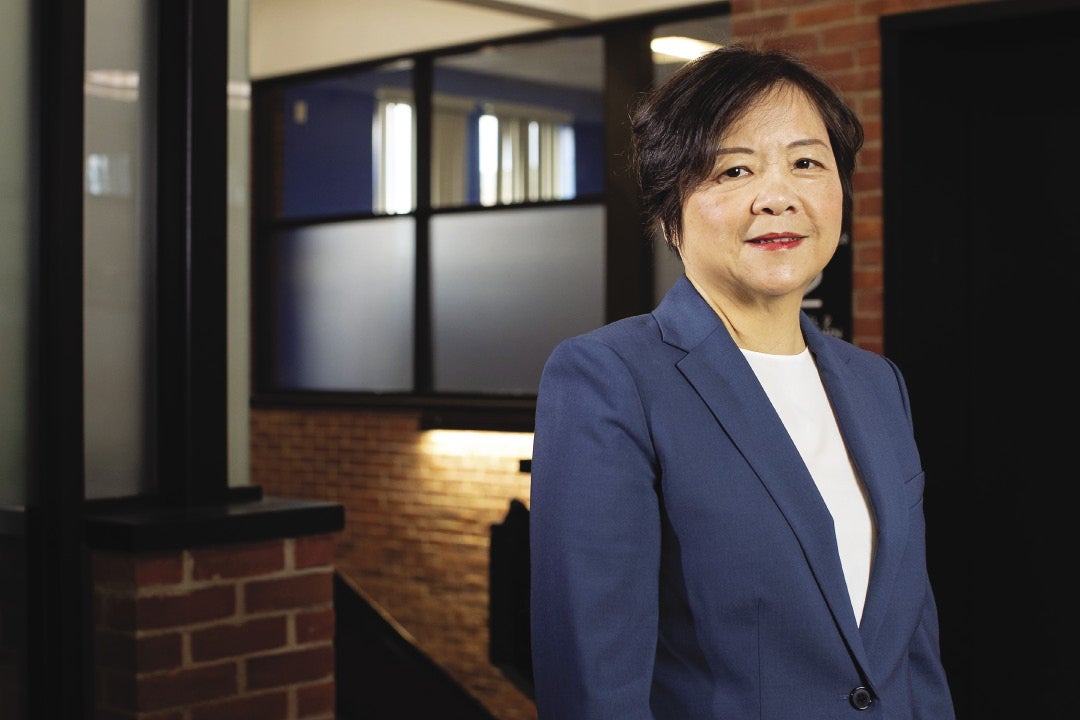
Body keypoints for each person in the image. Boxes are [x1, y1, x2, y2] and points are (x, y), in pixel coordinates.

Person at [528, 45, 955, 719]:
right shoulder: (611, 379)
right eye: (734, 168)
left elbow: (912, 650)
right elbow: (594, 679)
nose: (777, 196)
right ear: (670, 214)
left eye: (807, 163)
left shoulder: (877, 384)